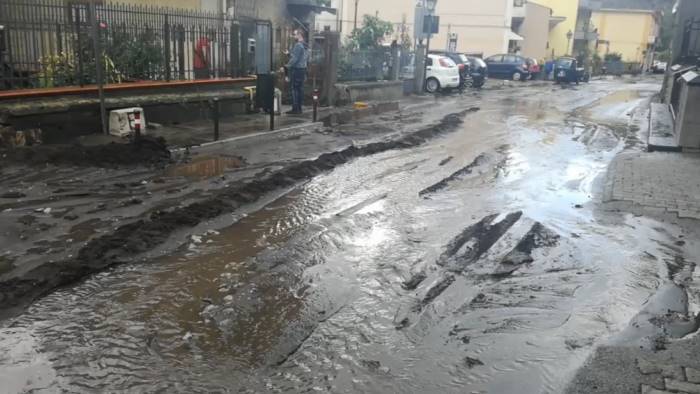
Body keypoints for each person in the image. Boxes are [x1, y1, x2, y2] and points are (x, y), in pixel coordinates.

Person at [285, 30, 308, 115]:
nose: (293, 36)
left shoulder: (298, 45)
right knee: (300, 89)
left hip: (297, 70)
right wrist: (289, 54)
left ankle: (295, 109)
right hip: (303, 69)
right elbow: (300, 57)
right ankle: (299, 108)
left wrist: (287, 66)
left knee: (294, 89)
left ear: (299, 35)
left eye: (294, 34)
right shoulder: (305, 45)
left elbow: (295, 59)